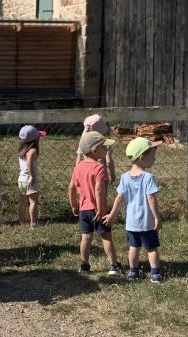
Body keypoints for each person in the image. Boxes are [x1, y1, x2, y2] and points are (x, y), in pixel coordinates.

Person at [102, 137, 163, 284]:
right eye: (152, 156)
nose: (154, 158)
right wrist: (157, 217)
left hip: (132, 222)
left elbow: (119, 198)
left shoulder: (124, 177)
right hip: (147, 222)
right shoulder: (149, 178)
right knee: (152, 248)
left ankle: (133, 272)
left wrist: (112, 215)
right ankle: (155, 274)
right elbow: (151, 198)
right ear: (142, 158)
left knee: (133, 247)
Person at [68, 130, 122, 277]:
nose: (106, 149)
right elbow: (99, 189)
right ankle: (113, 266)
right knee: (106, 237)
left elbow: (71, 187)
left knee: (86, 237)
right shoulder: (99, 168)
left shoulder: (78, 167)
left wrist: (74, 205)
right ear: (95, 150)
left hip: (84, 210)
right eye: (104, 147)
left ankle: (85, 265)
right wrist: (100, 208)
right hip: (98, 210)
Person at [17, 125, 45, 227]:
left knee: (23, 201)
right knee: (33, 202)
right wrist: (32, 176)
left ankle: (21, 221)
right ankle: (33, 223)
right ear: (35, 139)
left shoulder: (22, 150)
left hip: (21, 179)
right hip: (29, 179)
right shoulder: (32, 150)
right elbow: (29, 163)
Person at [75, 114, 115, 183]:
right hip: (101, 175)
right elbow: (108, 161)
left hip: (86, 176)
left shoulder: (83, 142)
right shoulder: (104, 142)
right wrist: (112, 175)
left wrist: (78, 175)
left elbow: (78, 162)